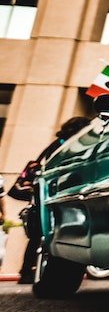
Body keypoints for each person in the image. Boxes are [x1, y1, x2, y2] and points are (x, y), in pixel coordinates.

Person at [6, 116, 93, 284]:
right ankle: (29, 270)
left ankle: (27, 271)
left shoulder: (57, 143)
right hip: (51, 195)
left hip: (43, 196)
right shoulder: (66, 145)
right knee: (45, 232)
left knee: (38, 234)